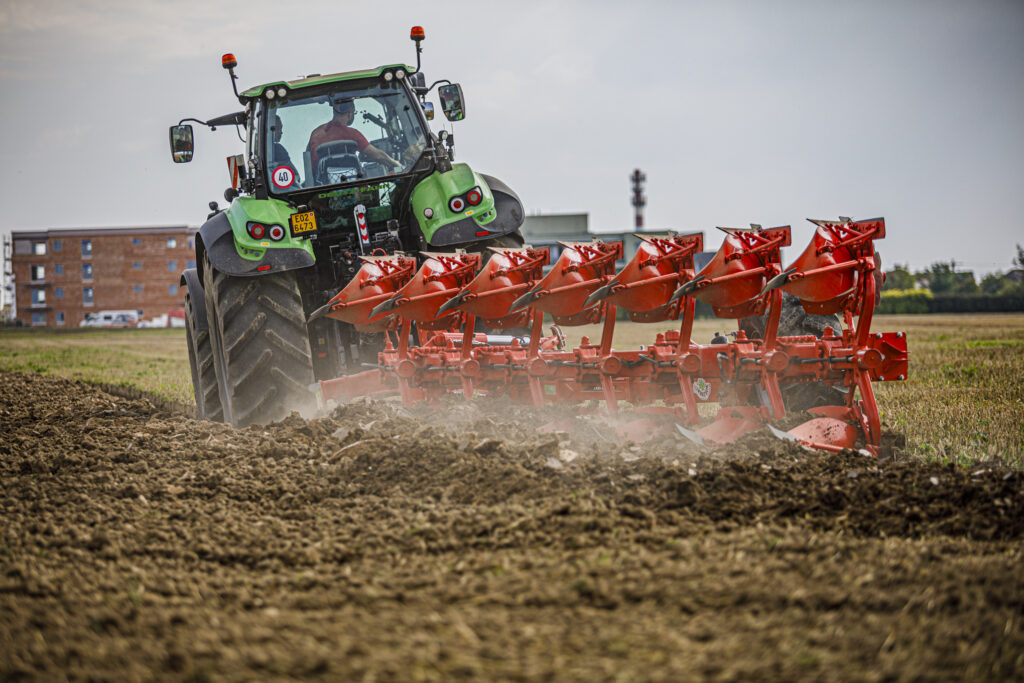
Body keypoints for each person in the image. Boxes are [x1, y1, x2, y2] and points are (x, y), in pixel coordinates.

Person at [306, 100, 402, 172]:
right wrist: (396, 164)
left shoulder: (315, 133)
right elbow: (378, 156)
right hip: (349, 183)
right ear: (350, 114)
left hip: (321, 184)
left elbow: (308, 159)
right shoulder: (351, 133)